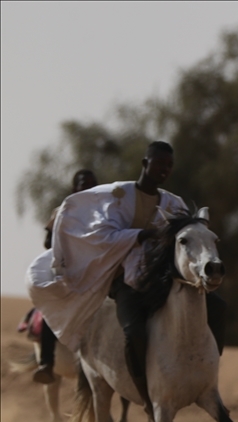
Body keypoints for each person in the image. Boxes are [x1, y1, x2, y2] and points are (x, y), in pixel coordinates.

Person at [27, 141, 226, 405]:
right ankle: (145, 395)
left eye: (169, 166)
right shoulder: (116, 196)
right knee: (133, 331)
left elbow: (184, 236)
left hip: (160, 280)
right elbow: (101, 236)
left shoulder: (172, 202)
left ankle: (205, 376)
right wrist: (141, 235)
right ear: (145, 164)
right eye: (159, 164)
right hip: (124, 281)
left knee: (219, 308)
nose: (164, 170)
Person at [31, 169, 99, 383]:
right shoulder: (61, 211)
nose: (86, 187)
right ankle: (47, 363)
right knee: (53, 310)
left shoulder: (103, 213)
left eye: (90, 184)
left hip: (95, 273)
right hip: (66, 272)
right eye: (82, 184)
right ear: (74, 188)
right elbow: (47, 242)